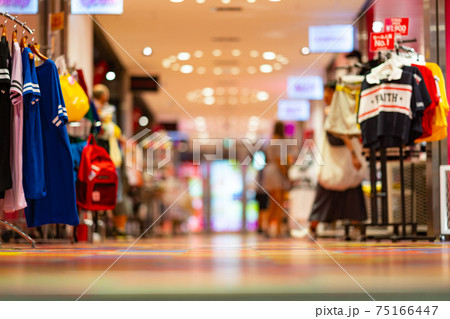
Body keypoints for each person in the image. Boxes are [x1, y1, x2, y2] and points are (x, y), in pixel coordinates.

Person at [307, 81, 367, 238]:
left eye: (328, 93)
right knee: (346, 192)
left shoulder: (340, 112)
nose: (325, 97)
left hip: (342, 161)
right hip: (335, 160)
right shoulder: (336, 112)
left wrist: (354, 154)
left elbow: (343, 135)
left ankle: (357, 228)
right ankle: (356, 228)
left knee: (343, 193)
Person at [262, 122, 290, 237]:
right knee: (279, 202)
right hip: (277, 173)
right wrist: (286, 173)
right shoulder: (280, 141)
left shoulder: (270, 140)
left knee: (273, 202)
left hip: (268, 171)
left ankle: (267, 226)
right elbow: (279, 160)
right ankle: (277, 229)